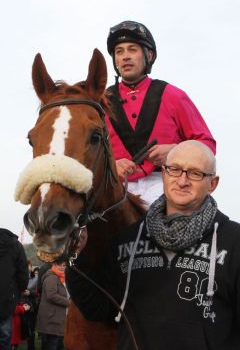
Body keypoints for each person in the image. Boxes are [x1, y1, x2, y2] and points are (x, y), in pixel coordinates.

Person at [66, 140, 240, 349]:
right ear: (164, 174)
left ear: (212, 183)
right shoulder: (128, 239)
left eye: (195, 173)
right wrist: (76, 256)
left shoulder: (234, 241)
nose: (182, 181)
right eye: (174, 169)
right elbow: (97, 308)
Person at [105, 20, 216, 205]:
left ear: (148, 55)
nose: (125, 57)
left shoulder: (173, 95)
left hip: (166, 183)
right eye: (119, 51)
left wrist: (175, 151)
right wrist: (111, 166)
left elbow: (207, 145)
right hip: (114, 186)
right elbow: (83, 153)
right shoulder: (100, 101)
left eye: (132, 49)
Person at [0, 228, 29, 350]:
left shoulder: (16, 246)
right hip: (7, 298)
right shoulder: (17, 246)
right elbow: (23, 273)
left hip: (7, 296)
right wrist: (20, 289)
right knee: (5, 337)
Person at [36, 256, 70, 350]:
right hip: (51, 320)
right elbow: (51, 295)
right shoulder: (52, 277)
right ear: (54, 264)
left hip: (56, 319)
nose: (63, 267)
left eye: (65, 265)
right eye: (61, 265)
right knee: (52, 346)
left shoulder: (60, 277)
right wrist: (68, 303)